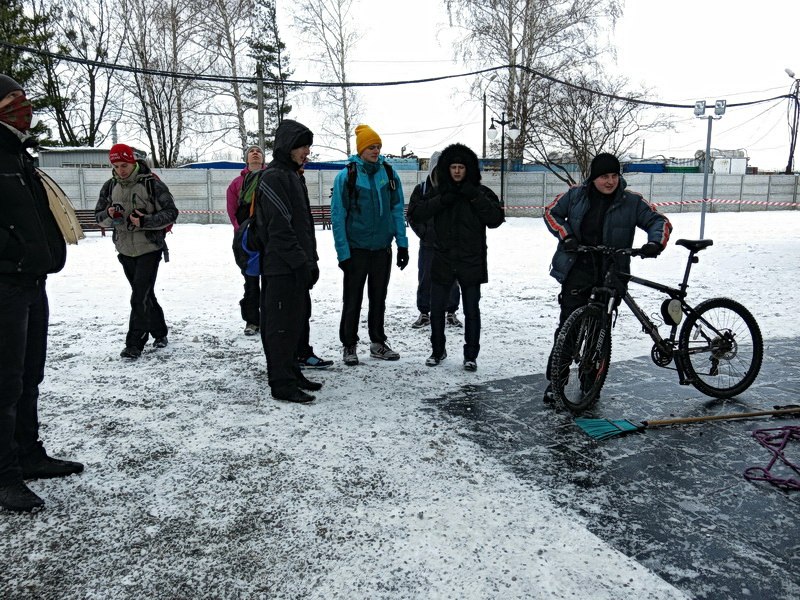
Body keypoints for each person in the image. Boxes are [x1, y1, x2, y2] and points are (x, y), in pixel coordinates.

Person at [0, 74, 83, 513]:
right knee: (5, 382)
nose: (25, 108)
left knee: (30, 374)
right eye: (14, 101)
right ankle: (4, 474)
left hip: (32, 282)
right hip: (5, 285)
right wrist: (12, 252)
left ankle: (28, 453)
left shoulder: (20, 156)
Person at [542, 152, 672, 402]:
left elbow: (659, 221)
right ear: (593, 178)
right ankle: (556, 380)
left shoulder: (631, 201)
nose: (610, 181)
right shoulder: (576, 195)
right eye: (604, 176)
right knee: (568, 326)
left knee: (600, 326)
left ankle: (591, 378)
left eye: (614, 175)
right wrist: (566, 236)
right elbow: (551, 213)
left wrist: (655, 243)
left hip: (612, 271)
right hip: (578, 266)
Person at [407, 142, 504, 371]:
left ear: (468, 168)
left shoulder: (481, 192)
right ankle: (437, 350)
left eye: (461, 166)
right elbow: (416, 213)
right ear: (446, 169)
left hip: (471, 259)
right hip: (443, 258)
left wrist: (473, 196)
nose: (458, 171)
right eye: (453, 167)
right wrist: (442, 200)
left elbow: (495, 219)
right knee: (437, 307)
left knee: (472, 309)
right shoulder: (438, 192)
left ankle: (471, 354)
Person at [250, 119, 323, 403]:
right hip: (281, 268)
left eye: (307, 146)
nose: (306, 151)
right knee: (279, 326)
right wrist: (300, 263)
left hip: (295, 266)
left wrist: (309, 261)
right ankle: (281, 383)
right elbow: (279, 229)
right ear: (288, 146)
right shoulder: (274, 178)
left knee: (294, 323)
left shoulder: (293, 176)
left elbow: (302, 226)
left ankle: (292, 372)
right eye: (302, 146)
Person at [330, 124, 409, 366]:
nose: (375, 151)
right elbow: (338, 216)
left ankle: (377, 342)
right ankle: (349, 344)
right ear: (361, 149)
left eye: (378, 147)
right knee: (352, 299)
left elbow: (397, 209)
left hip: (381, 249)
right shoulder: (347, 176)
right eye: (371, 147)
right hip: (356, 249)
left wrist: (402, 244)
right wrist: (343, 253)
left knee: (379, 297)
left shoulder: (388, 172)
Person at [95, 143, 179, 359]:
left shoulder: (151, 184)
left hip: (150, 249)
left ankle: (134, 343)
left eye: (124, 165)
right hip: (124, 249)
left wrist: (145, 221)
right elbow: (99, 218)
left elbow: (171, 213)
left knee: (138, 295)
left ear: (133, 163)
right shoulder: (109, 186)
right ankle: (160, 332)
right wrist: (109, 213)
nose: (121, 170)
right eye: (116, 166)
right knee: (144, 294)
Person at [409, 150, 462, 329]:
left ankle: (451, 312)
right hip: (428, 245)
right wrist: (425, 234)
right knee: (425, 278)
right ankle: (424, 312)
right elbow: (413, 215)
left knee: (453, 280)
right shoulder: (421, 190)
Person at [226, 144, 265, 336]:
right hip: (247, 240)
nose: (255, 153)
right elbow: (232, 211)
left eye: (259, 151)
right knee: (250, 281)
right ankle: (252, 320)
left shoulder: (272, 178)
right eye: (252, 151)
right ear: (246, 158)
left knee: (271, 281)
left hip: (268, 236)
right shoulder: (236, 184)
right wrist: (242, 232)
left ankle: (270, 318)